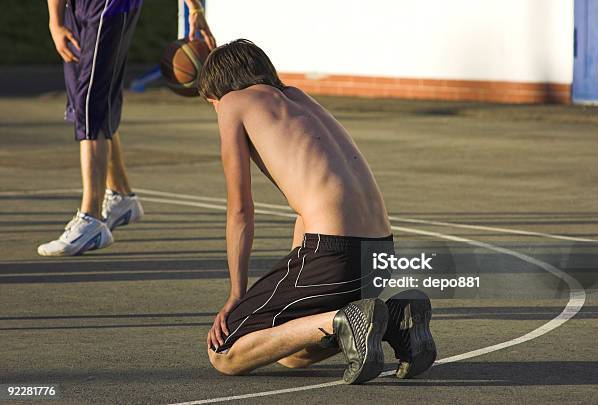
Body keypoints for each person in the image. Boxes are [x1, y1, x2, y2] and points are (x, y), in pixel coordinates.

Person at [198, 39, 436, 383]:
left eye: (212, 104)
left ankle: (346, 318)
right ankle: (396, 323)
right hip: (379, 256)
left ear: (219, 92)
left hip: (336, 255)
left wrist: (237, 293)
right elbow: (309, 208)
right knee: (290, 353)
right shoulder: (300, 98)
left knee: (225, 354)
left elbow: (240, 210)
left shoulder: (234, 103)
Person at [39, 0, 215, 256]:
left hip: (108, 7)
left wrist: (195, 7)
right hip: (76, 9)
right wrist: (55, 21)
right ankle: (121, 196)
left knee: (91, 105)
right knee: (88, 104)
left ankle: (91, 218)